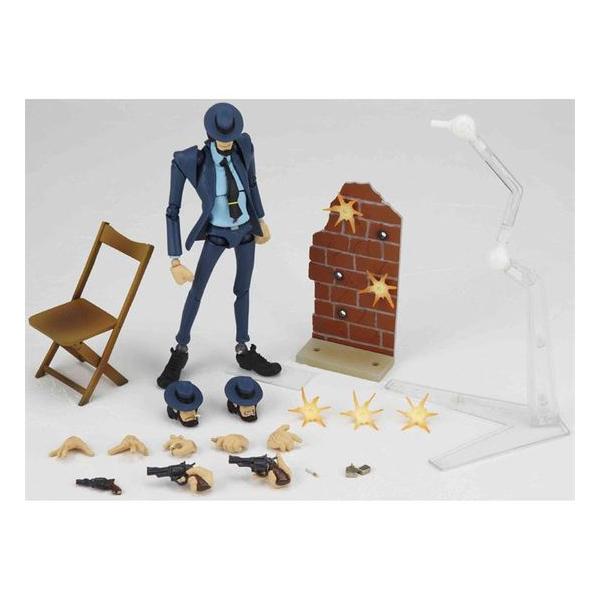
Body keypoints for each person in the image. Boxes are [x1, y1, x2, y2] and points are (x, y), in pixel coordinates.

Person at [157, 103, 281, 388]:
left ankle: (243, 348)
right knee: (197, 289)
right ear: (210, 134)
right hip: (216, 233)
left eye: (231, 137)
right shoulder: (190, 161)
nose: (227, 142)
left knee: (243, 289)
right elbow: (172, 210)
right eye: (221, 137)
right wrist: (174, 258)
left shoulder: (244, 147)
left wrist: (261, 218)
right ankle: (180, 349)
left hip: (245, 230)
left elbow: (252, 182)